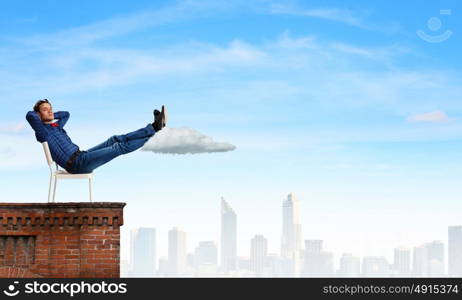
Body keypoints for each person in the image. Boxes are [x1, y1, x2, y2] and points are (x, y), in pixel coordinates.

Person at [25, 99, 167, 174]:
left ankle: (154, 127)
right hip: (76, 165)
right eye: (45, 110)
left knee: (114, 139)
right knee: (118, 148)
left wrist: (50, 116)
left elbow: (66, 114)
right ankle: (154, 136)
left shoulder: (56, 127)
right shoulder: (42, 132)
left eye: (51, 108)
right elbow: (29, 115)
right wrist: (41, 116)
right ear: (38, 115)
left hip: (81, 155)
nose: (50, 111)